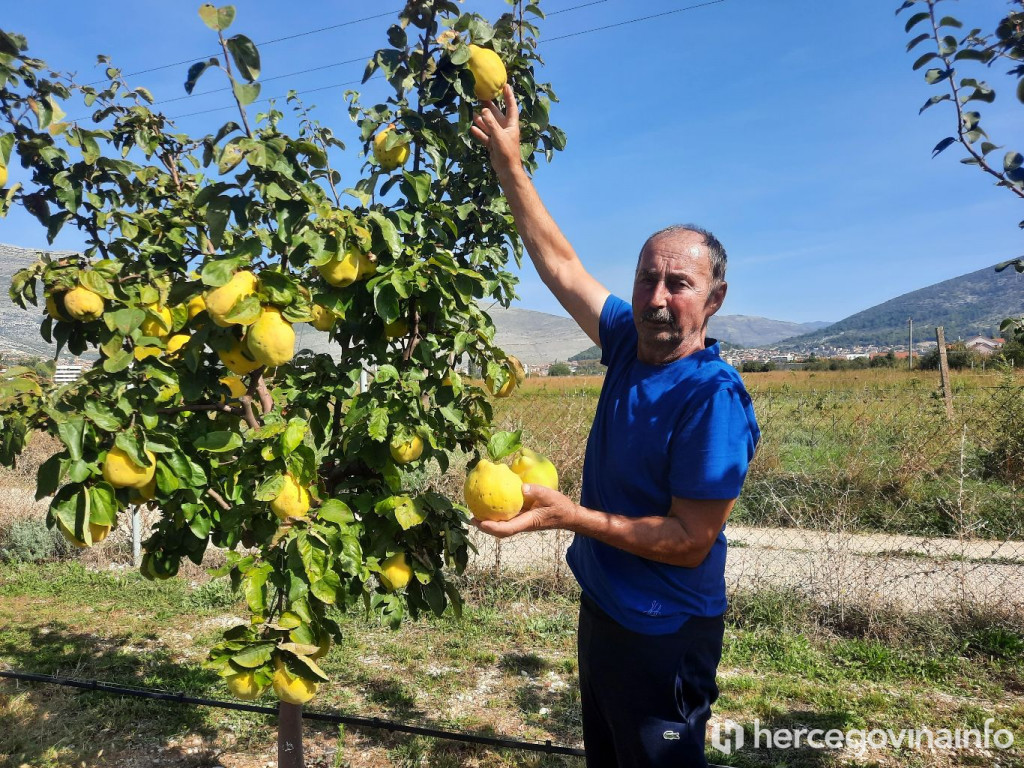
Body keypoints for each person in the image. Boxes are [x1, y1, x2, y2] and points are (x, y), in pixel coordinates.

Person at [470, 84, 760, 768]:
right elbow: (562, 265)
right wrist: (509, 163)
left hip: (665, 632)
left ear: (714, 299)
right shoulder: (630, 340)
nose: (658, 299)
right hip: (604, 606)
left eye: (679, 285)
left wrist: (572, 517)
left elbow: (691, 542)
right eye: (646, 279)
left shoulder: (711, 399)